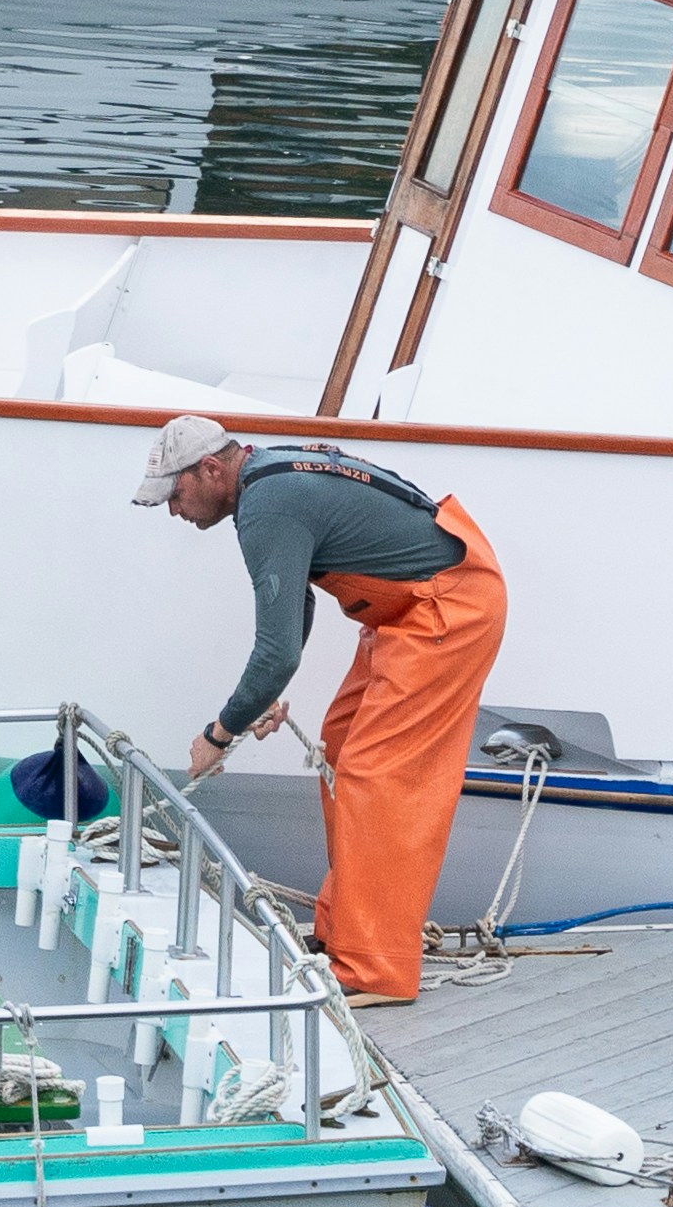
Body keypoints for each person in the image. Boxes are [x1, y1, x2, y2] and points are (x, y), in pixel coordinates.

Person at [134, 416, 506, 1006]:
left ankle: (376, 968)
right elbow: (295, 612)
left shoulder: (266, 507)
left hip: (446, 609)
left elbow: (277, 649)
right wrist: (260, 695)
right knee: (340, 745)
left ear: (209, 469)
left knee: (376, 775)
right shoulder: (266, 483)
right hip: (410, 611)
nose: (173, 510)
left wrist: (220, 732)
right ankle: (346, 935)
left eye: (174, 495)